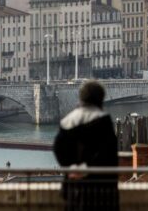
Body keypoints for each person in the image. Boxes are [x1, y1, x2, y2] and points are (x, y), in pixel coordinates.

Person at [53, 80, 119, 211]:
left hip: (73, 187)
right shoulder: (103, 120)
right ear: (100, 98)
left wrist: (71, 168)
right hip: (101, 190)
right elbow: (107, 154)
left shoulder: (67, 121)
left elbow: (58, 148)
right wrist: (86, 168)